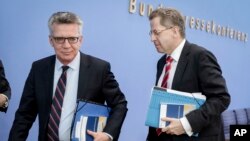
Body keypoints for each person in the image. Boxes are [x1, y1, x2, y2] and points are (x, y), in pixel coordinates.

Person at [9, 11, 127, 141]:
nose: (66, 45)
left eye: (72, 39)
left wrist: (107, 134)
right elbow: (24, 115)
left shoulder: (99, 69)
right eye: (59, 39)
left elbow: (119, 105)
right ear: (51, 41)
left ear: (80, 40)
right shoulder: (38, 69)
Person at [146, 8, 230, 141]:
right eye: (151, 33)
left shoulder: (200, 56)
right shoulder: (162, 62)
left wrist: (186, 124)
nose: (152, 38)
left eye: (156, 32)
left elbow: (221, 98)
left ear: (174, 31)